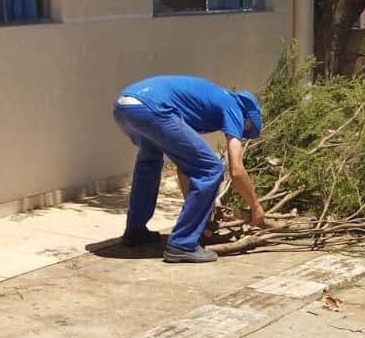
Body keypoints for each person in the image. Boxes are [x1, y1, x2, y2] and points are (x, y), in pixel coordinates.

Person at [111, 75, 266, 264]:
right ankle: (182, 244)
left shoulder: (205, 104)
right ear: (248, 116)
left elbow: (186, 167)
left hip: (125, 105)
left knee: (149, 161)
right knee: (212, 168)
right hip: (151, 107)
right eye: (246, 129)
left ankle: (135, 230)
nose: (242, 133)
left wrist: (195, 213)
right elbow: (236, 170)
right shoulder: (234, 106)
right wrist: (256, 207)